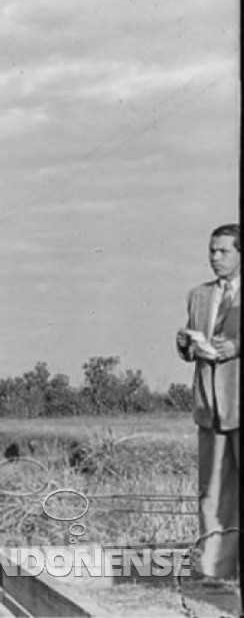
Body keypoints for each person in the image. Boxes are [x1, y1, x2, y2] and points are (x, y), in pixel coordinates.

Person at [176, 223, 239, 581]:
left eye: (224, 251)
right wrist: (186, 343)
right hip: (209, 409)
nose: (214, 257)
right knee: (212, 494)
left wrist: (236, 346)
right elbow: (189, 342)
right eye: (212, 250)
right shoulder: (198, 295)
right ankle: (217, 573)